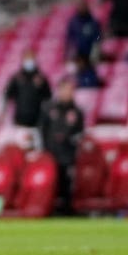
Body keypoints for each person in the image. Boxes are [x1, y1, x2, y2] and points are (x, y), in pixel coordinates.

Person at [38, 76, 84, 215]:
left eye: (70, 90)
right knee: (52, 182)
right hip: (52, 154)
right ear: (59, 91)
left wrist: (70, 141)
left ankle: (66, 209)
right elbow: (42, 130)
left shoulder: (76, 112)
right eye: (64, 89)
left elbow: (79, 133)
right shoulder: (49, 109)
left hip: (68, 155)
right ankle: (50, 208)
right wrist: (45, 150)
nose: (67, 93)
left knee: (67, 183)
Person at [2, 49, 52, 128]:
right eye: (27, 58)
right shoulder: (17, 77)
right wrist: (3, 112)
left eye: (31, 58)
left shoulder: (41, 78)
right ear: (23, 59)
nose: (29, 61)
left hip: (36, 120)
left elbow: (48, 97)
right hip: (19, 119)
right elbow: (7, 94)